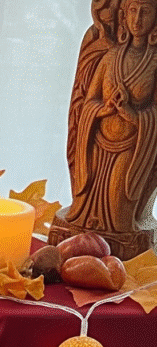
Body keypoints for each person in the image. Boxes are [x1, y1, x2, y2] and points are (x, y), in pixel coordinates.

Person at [66, 0, 157, 235]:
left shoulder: (154, 63)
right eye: (133, 11)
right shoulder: (110, 57)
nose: (137, 20)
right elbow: (88, 101)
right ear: (123, 15)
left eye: (145, 13)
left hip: (131, 150)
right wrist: (103, 109)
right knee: (81, 210)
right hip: (97, 143)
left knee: (120, 218)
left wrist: (134, 115)